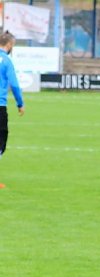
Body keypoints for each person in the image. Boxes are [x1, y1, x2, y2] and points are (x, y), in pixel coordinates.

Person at [0, 32, 24, 190]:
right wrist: (20, 103)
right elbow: (14, 84)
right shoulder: (6, 61)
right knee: (1, 141)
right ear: (9, 45)